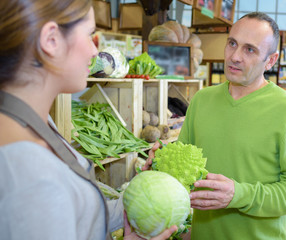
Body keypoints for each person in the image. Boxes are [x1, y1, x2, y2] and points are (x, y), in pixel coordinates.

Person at [0, 0, 175, 239]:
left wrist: (141, 190)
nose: (95, 52)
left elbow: (76, 215)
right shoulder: (28, 172)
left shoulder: (34, 122)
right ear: (51, 40)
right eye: (89, 34)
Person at [177, 12, 286, 239]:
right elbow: (183, 166)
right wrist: (161, 161)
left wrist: (238, 194)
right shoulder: (202, 100)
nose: (235, 56)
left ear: (271, 60)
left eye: (250, 49)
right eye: (232, 43)